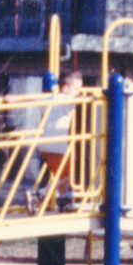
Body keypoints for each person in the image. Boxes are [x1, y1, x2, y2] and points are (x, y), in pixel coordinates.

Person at [34, 68, 83, 212]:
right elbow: (76, 99)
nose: (78, 91)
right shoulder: (67, 99)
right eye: (76, 88)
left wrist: (14, 99)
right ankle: (39, 194)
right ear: (65, 88)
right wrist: (91, 98)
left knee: (62, 174)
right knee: (69, 176)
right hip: (57, 145)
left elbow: (32, 99)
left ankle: (64, 202)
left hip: (44, 145)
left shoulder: (50, 98)